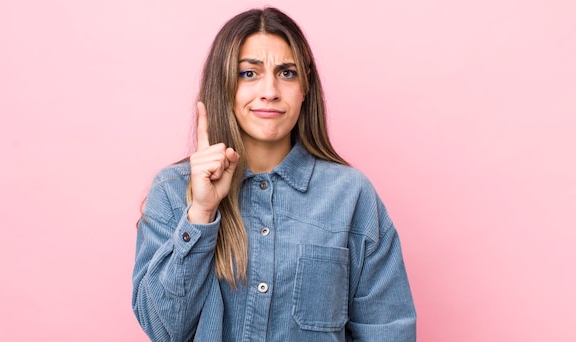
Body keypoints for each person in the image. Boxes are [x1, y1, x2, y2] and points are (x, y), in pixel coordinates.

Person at [132, 7, 416, 341]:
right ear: (224, 85)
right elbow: (164, 329)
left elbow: (387, 330)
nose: (270, 91)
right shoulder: (172, 191)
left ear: (305, 86)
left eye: (287, 73)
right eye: (249, 74)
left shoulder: (351, 194)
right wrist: (201, 213)